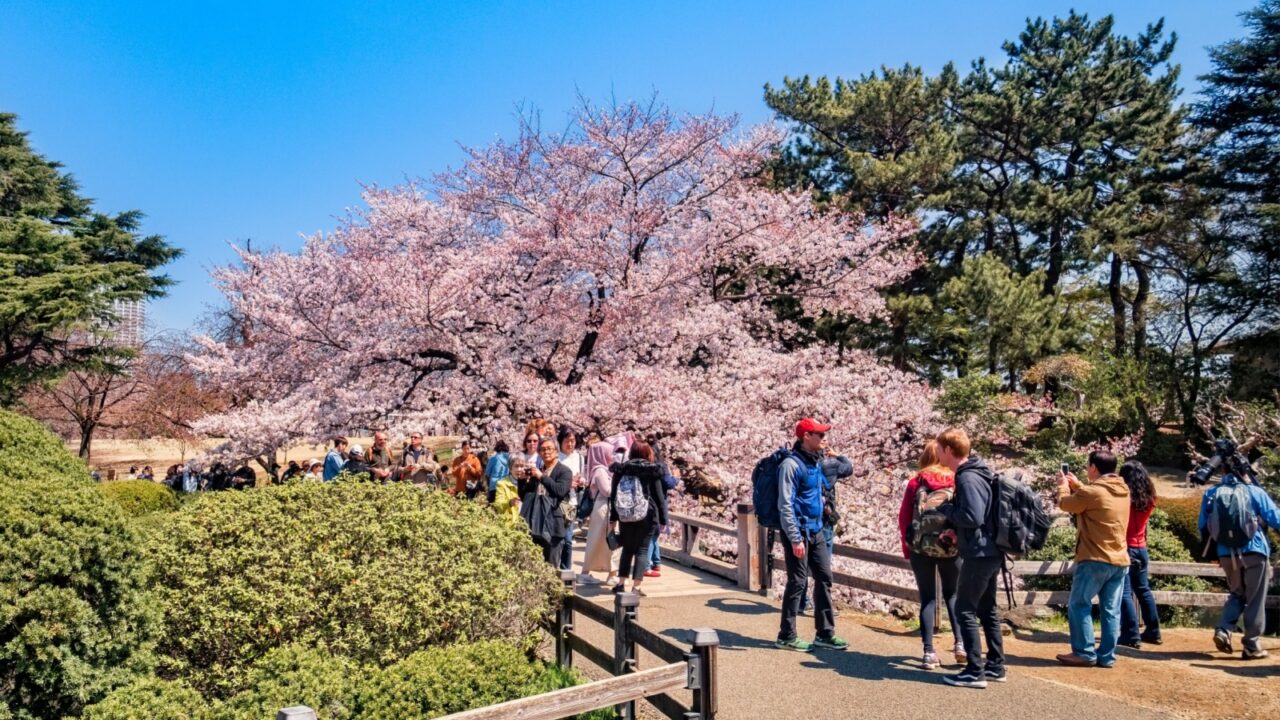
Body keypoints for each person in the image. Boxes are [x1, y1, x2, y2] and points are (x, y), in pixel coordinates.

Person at [936, 428, 1005, 688]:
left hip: (979, 553)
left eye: (940, 449)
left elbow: (973, 516)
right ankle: (996, 665)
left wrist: (945, 507)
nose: (938, 453)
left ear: (949, 451)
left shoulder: (967, 478)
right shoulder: (980, 472)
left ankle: (975, 671)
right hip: (990, 550)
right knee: (987, 609)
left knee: (964, 608)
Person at [775, 418, 848, 653]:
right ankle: (787, 635)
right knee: (797, 581)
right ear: (806, 436)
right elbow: (785, 504)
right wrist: (795, 538)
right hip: (798, 532)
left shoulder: (815, 462)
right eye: (820, 434)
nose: (824, 438)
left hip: (816, 529)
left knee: (824, 577)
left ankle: (825, 633)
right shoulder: (791, 465)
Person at [1055, 449, 1130, 669]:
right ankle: (1107, 656)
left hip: (1095, 558)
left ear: (1094, 468)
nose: (1087, 469)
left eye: (1088, 466)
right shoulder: (1123, 490)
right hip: (1120, 560)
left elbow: (1066, 504)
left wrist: (1063, 485)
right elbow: (1097, 500)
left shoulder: (1092, 493)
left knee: (1079, 604)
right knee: (1110, 610)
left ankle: (1084, 652)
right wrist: (1078, 485)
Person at [1199, 466, 1280, 660]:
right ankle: (1251, 645)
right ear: (1245, 473)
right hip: (1254, 551)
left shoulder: (1211, 493)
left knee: (1236, 593)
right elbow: (1276, 518)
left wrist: (1216, 551)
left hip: (1226, 553)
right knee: (1255, 599)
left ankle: (1224, 629)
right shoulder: (1255, 491)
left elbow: (1203, 526)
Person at [897, 439, 961, 670]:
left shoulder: (916, 482)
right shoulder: (955, 479)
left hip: (920, 547)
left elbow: (904, 518)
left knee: (928, 597)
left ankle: (928, 652)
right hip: (950, 547)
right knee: (953, 595)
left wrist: (907, 547)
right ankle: (961, 643)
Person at [608, 441, 668, 596]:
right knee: (642, 549)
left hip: (626, 514)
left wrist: (613, 517)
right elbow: (659, 496)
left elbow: (614, 495)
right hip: (647, 515)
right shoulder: (651, 470)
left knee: (627, 548)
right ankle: (636, 587)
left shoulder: (621, 470)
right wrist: (663, 519)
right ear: (647, 454)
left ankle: (620, 584)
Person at [1118, 460, 1162, 648]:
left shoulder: (1123, 498)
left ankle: (1131, 634)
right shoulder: (1150, 498)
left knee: (1125, 592)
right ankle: (1154, 631)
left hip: (1125, 547)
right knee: (1143, 590)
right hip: (1141, 548)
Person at [801, 451, 851, 616]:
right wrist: (838, 456)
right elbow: (849, 468)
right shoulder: (831, 464)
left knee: (803, 563)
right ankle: (823, 606)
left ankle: (802, 602)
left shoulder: (799, 464)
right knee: (823, 566)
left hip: (806, 520)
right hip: (825, 521)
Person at [520, 438, 573, 565]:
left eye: (549, 449)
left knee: (551, 565)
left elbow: (560, 491)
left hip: (554, 524)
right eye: (543, 450)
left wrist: (541, 477)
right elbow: (524, 496)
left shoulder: (564, 471)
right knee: (534, 566)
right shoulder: (538, 470)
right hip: (536, 523)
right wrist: (522, 480)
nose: (546, 452)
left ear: (556, 452)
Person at [579, 441, 617, 586]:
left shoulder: (600, 469)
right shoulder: (600, 470)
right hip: (604, 507)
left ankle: (609, 573)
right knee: (606, 540)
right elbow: (607, 491)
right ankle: (591, 572)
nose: (612, 456)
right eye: (609, 452)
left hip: (603, 507)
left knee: (601, 541)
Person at [558, 429, 585, 570]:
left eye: (572, 441)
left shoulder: (579, 458)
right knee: (557, 537)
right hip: (557, 501)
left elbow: (582, 475)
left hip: (571, 502)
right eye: (567, 441)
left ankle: (566, 569)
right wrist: (568, 483)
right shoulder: (556, 457)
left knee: (568, 538)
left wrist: (581, 481)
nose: (570, 444)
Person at [484, 439, 512, 503]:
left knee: (492, 507)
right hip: (506, 486)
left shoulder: (494, 458)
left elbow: (487, 473)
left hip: (494, 486)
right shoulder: (510, 459)